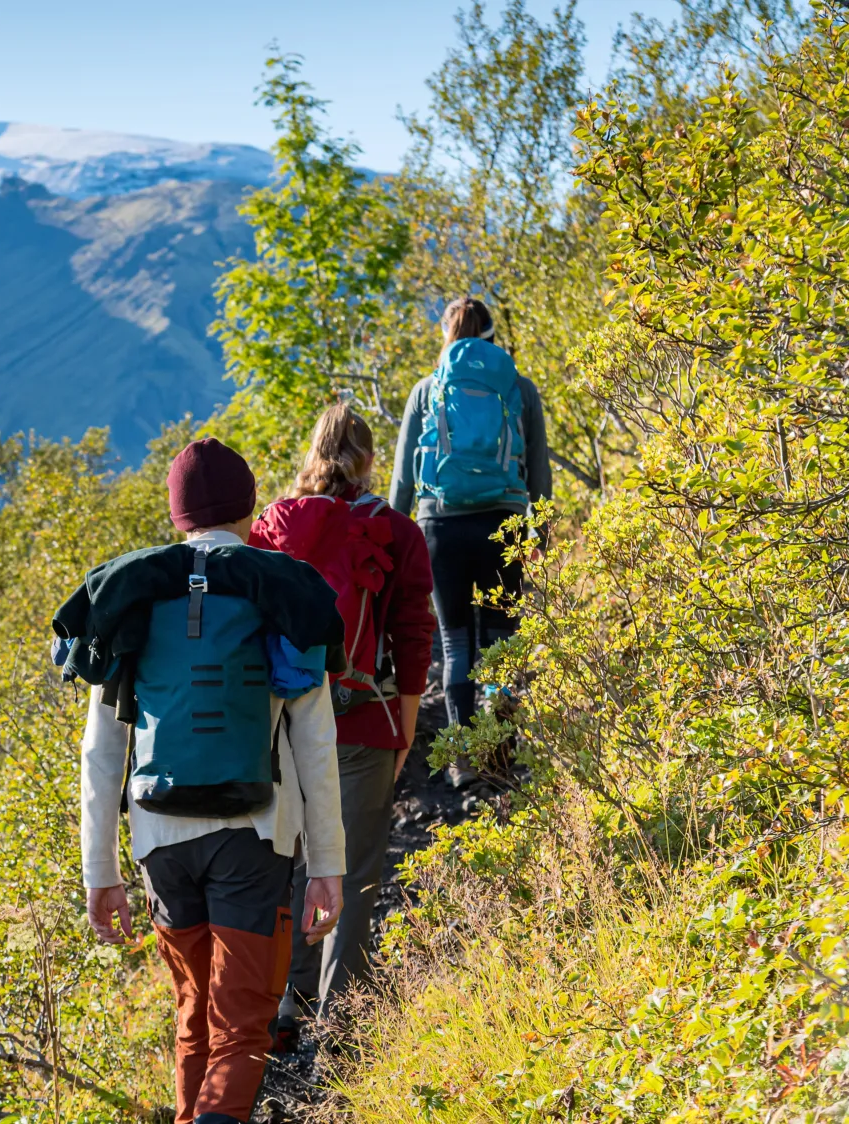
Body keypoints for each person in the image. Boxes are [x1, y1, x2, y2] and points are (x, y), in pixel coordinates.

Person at [61, 438, 347, 1124]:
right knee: (243, 1025)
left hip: (158, 836)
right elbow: (315, 741)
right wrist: (327, 866)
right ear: (250, 506)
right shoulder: (277, 589)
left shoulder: (134, 599)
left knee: (195, 1017)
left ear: (177, 515)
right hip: (254, 832)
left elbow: (100, 751)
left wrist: (99, 873)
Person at [252, 402, 435, 1042]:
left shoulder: (274, 523)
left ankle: (283, 1004)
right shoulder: (398, 532)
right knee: (353, 870)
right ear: (367, 459)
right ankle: (342, 1017)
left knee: (293, 859)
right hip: (364, 717)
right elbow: (415, 636)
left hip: (284, 723)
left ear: (312, 455)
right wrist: (404, 725)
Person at [388, 298, 550, 780]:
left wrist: (393, 541)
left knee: (456, 647)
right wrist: (539, 531)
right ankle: (501, 756)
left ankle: (465, 760)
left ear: (446, 336)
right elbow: (538, 468)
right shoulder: (520, 389)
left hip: (440, 527)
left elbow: (401, 479)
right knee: (502, 645)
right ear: (491, 337)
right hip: (503, 524)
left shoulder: (426, 390)